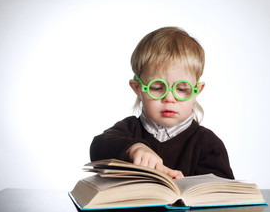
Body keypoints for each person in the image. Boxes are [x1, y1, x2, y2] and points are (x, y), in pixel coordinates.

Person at [90, 27, 234, 180]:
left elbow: (222, 193)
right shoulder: (129, 129)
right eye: (157, 88)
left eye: (182, 88)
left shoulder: (208, 144)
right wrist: (133, 149)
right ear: (138, 88)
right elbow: (98, 147)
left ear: (197, 91)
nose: (169, 98)